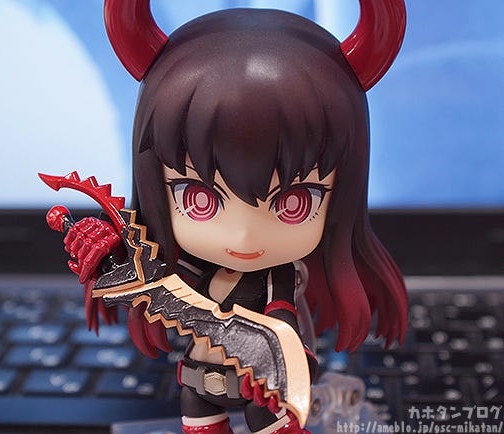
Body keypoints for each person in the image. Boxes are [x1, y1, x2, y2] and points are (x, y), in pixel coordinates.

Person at [55, 1, 408, 433]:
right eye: (200, 199)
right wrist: (108, 258)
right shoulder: (186, 270)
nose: (243, 235)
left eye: (293, 203)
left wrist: (284, 368)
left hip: (260, 388)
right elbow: (155, 283)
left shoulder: (276, 279)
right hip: (199, 382)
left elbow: (282, 322)